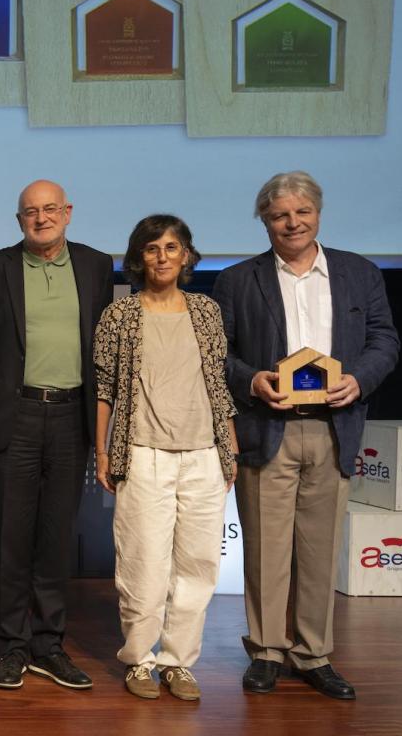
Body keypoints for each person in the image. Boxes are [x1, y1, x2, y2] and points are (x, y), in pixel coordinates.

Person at [214, 172, 399, 700]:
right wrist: (251, 379)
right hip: (266, 426)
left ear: (318, 214)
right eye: (278, 215)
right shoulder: (236, 280)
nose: (292, 223)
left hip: (334, 428)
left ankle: (313, 654)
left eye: (302, 212)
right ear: (264, 221)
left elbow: (385, 339)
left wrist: (359, 379)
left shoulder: (360, 273)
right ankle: (268, 651)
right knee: (266, 550)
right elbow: (217, 353)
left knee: (320, 551)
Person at [0, 179, 113, 690]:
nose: (41, 217)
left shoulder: (97, 265)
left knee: (55, 537)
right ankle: (12, 644)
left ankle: (49, 644)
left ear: (68, 212)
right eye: (31, 211)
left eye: (50, 209)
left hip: (72, 417)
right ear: (18, 220)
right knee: (12, 535)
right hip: (16, 416)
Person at [92, 216, 238, 701]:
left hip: (202, 454)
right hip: (143, 452)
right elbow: (106, 389)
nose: (162, 256)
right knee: (143, 565)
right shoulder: (121, 315)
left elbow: (218, 383)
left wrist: (229, 445)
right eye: (152, 248)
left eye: (171, 247)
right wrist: (103, 449)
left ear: (186, 256)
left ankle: (178, 662)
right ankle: (139, 659)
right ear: (139, 258)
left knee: (197, 565)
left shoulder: (206, 311)